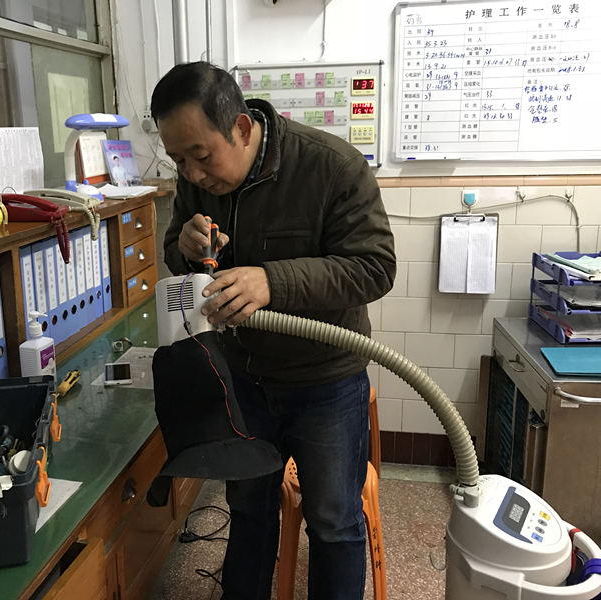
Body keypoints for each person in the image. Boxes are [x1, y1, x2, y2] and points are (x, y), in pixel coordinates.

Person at [151, 61, 396, 600]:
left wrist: (273, 281)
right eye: (178, 160)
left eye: (201, 156)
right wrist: (185, 247)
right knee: (249, 512)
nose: (192, 174)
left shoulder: (331, 166)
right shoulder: (195, 179)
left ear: (241, 128)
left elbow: (375, 267)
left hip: (325, 382)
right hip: (243, 379)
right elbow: (175, 250)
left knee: (333, 521)